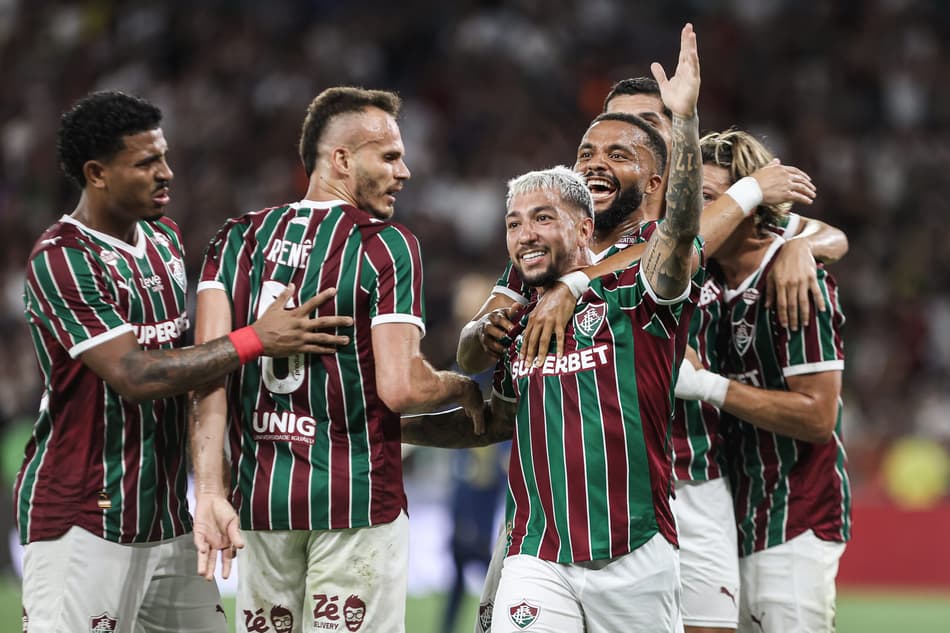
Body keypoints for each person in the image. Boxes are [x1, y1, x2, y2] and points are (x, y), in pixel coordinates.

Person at [17, 91, 351, 633]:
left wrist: (218, 481)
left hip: (168, 518)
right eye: (146, 162)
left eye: (164, 156)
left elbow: (193, 359)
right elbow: (135, 374)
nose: (166, 172)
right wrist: (256, 340)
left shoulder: (163, 239)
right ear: (97, 173)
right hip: (85, 516)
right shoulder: (62, 259)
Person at [189, 86, 484, 633]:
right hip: (356, 502)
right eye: (390, 156)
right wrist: (460, 388)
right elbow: (402, 389)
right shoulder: (388, 245)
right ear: (342, 159)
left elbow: (208, 372)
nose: (406, 171)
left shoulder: (234, 240)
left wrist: (208, 491)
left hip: (262, 503)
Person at [675, 128, 850, 633]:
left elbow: (818, 416)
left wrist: (706, 384)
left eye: (713, 199)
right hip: (729, 518)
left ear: (752, 206)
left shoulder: (794, 278)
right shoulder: (704, 277)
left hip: (793, 516)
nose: (698, 213)